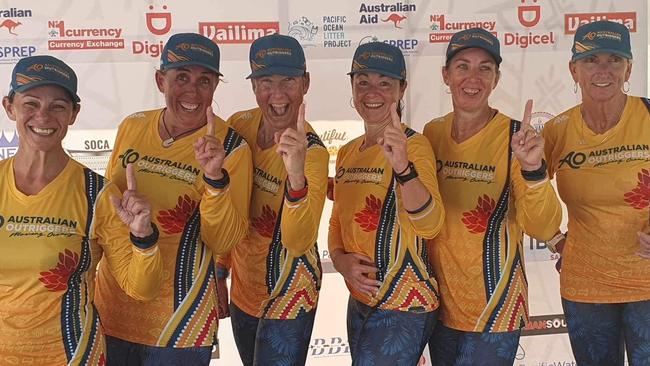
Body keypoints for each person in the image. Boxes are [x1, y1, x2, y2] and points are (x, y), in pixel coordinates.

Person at [94, 33, 252, 365]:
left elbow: (223, 239)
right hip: (112, 310)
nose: (192, 91)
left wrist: (214, 180)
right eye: (181, 77)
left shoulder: (232, 147)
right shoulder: (132, 126)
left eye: (204, 80)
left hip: (180, 323)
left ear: (214, 88)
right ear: (160, 79)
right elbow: (108, 216)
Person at [0, 55, 162, 365]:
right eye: (31, 104)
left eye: (58, 106)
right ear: (10, 107)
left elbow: (140, 288)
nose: (43, 117)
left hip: (72, 356)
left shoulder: (97, 194)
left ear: (74, 113)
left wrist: (143, 236)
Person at [422, 28, 562, 365]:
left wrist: (533, 170)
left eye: (485, 68)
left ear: (496, 78)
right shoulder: (432, 132)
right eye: (462, 66)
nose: (473, 78)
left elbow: (543, 226)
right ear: (446, 75)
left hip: (495, 309)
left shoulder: (517, 137)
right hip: (439, 306)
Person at [328, 41, 445, 365]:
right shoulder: (349, 151)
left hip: (404, 305)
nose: (372, 92)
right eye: (362, 82)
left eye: (384, 82)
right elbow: (338, 219)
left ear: (401, 90)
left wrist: (403, 170)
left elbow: (431, 224)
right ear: (352, 87)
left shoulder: (414, 145)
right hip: (361, 300)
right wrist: (339, 262)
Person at [215, 33, 328, 366]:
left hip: (291, 292)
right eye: (266, 81)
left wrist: (296, 177)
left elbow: (299, 240)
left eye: (289, 81)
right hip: (244, 289)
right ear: (253, 86)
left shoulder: (314, 153)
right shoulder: (239, 125)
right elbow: (226, 205)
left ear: (305, 84)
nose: (277, 95)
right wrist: (220, 271)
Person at [542, 20, 650, 365]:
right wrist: (554, 240)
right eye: (591, 60)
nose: (603, 70)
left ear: (628, 67)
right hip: (585, 286)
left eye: (614, 60)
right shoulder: (556, 130)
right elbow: (525, 199)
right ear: (574, 70)